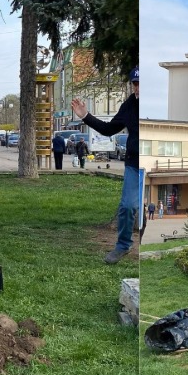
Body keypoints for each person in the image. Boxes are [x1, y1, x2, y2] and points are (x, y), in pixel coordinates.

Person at [71, 66, 139, 264]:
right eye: (135, 84)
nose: (138, 88)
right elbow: (108, 130)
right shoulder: (128, 106)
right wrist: (86, 116)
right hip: (134, 165)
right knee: (127, 206)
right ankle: (123, 246)